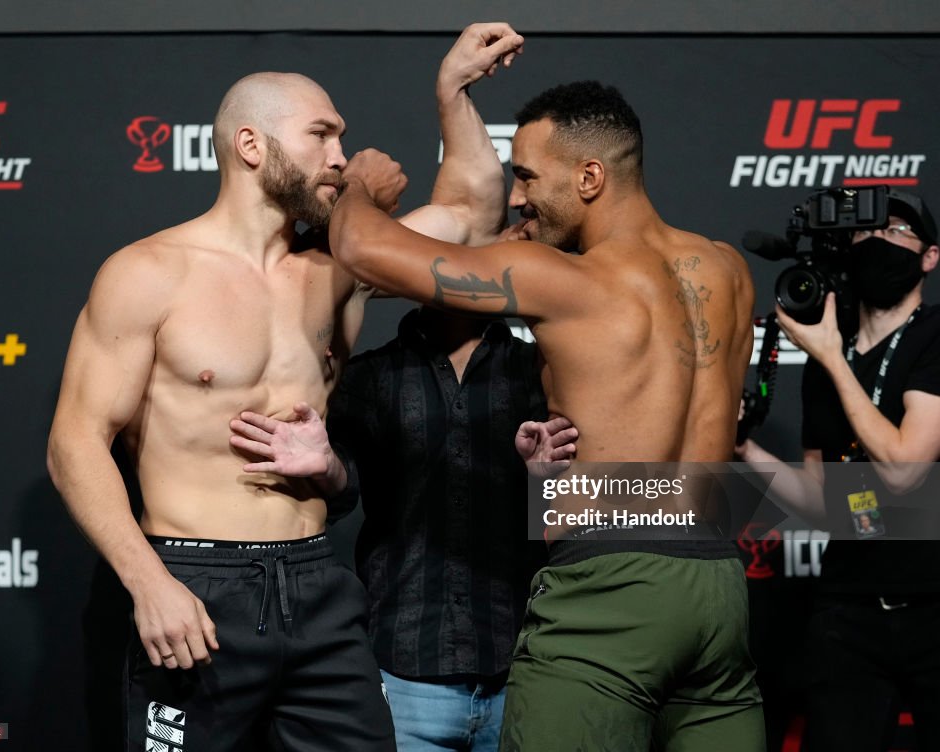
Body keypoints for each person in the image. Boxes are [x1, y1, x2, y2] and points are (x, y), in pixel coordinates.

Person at [46, 23, 525, 752]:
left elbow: (472, 214)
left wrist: (452, 92)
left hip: (316, 587)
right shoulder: (148, 273)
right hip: (195, 584)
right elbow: (75, 444)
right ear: (251, 146)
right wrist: (149, 584)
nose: (342, 159)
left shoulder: (334, 273)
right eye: (322, 137)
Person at [324, 80, 764, 750]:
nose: (520, 196)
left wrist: (358, 186)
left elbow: (361, 253)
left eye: (527, 175)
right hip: (716, 587)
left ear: (591, 177)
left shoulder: (559, 278)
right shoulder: (728, 269)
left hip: (610, 591)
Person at [232, 297, 578, 751]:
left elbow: (575, 521)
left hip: (520, 669)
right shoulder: (375, 374)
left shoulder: (541, 369)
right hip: (404, 671)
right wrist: (328, 467)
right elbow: (341, 494)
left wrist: (544, 481)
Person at [736, 189, 940, 752]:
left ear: (930, 256)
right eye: (866, 231)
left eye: (897, 230)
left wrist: (828, 356)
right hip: (847, 611)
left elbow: (903, 470)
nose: (879, 240)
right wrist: (744, 448)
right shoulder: (830, 355)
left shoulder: (933, 336)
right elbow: (823, 502)